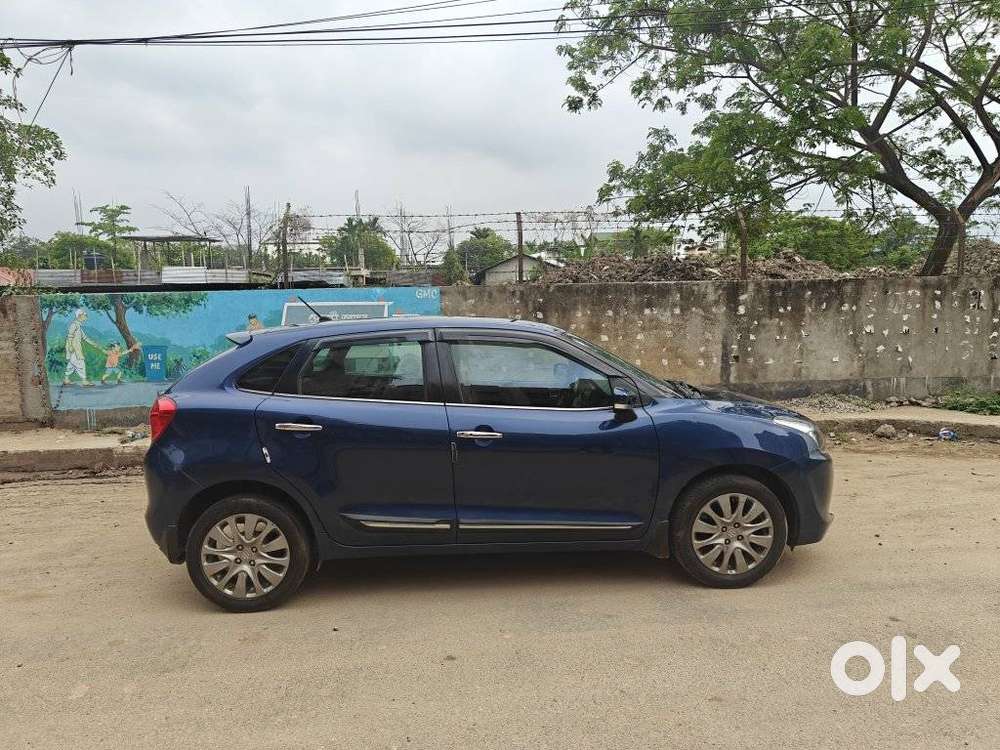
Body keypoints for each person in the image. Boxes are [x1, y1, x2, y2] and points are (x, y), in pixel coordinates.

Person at [63, 308, 100, 386]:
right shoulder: (74, 325)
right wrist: (70, 346)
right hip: (74, 348)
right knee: (81, 363)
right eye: (84, 315)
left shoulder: (78, 326)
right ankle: (84, 381)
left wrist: (94, 344)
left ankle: (66, 379)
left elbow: (85, 338)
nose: (86, 316)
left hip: (76, 348)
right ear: (79, 316)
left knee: (71, 364)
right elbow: (69, 336)